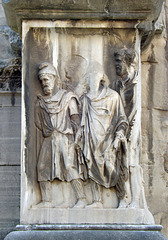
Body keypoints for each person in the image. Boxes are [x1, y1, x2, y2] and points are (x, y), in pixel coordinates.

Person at [34, 62, 87, 208]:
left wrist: (77, 138)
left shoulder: (67, 97)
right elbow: (38, 121)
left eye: (46, 79)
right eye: (41, 80)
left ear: (54, 79)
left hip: (66, 137)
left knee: (69, 166)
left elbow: (75, 118)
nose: (43, 83)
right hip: (50, 137)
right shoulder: (42, 102)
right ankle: (47, 201)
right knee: (42, 167)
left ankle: (81, 198)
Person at [80, 61, 129, 207]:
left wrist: (119, 135)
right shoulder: (85, 98)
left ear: (102, 77)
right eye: (90, 75)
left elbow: (122, 119)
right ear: (87, 78)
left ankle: (123, 197)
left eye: (96, 75)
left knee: (111, 166)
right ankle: (97, 201)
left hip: (108, 138)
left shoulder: (112, 97)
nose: (93, 78)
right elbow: (80, 120)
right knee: (91, 166)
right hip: (91, 138)